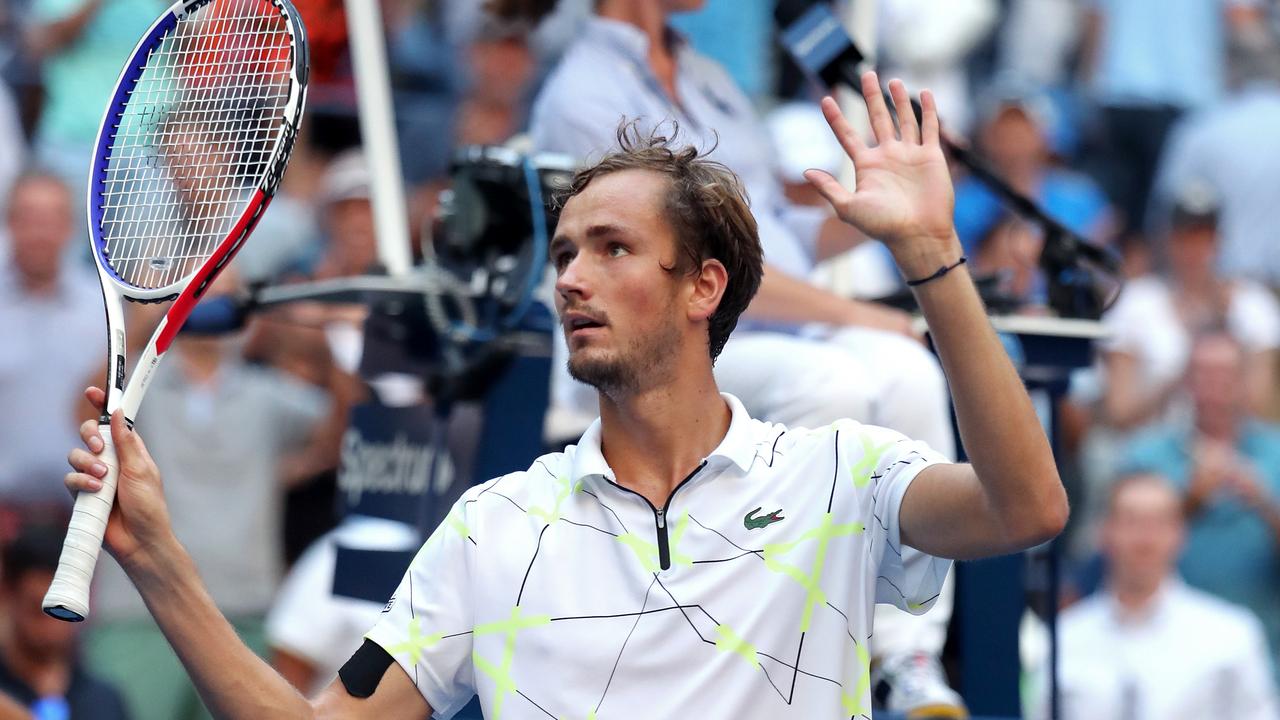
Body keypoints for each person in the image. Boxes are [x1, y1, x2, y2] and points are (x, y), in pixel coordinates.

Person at [61, 72, 1067, 718]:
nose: (571, 279)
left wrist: (932, 255)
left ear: (702, 287)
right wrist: (156, 558)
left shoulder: (838, 473)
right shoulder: (492, 526)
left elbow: (1025, 507)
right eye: (562, 254)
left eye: (612, 248)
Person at [519, 4, 962, 710]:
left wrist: (890, 206)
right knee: (833, 378)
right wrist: (859, 313)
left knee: (905, 370)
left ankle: (906, 657)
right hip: (671, 350)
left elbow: (779, 235)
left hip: (770, 333)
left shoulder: (706, 76)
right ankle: (793, 646)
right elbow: (703, 275)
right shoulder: (583, 92)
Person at [1045, 473, 1278, 719]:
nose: (1145, 538)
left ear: (1180, 534)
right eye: (1131, 521)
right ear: (1105, 532)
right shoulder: (1062, 637)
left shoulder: (1232, 634)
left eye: (1159, 522)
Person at [1119, 331, 1280, 671]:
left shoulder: (1275, 453)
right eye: (1204, 374)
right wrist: (1186, 502)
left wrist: (1265, 504)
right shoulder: (1146, 456)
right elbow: (1117, 553)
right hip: (1167, 658)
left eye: (1226, 375)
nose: (1214, 387)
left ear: (1243, 381)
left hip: (1265, 653)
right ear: (1186, 383)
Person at [0, 173, 102, 517]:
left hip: (79, 514)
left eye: (52, 219)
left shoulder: (102, 309)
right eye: (29, 218)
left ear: (70, 227)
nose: (40, 233)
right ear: (9, 223)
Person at [0, 524, 129, 720]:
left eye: (66, 611)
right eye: (37, 611)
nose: (52, 630)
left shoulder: (103, 700)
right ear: (9, 595)